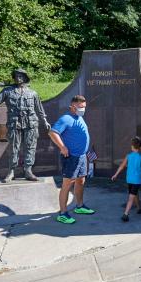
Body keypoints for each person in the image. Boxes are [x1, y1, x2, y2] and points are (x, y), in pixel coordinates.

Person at [0, 68, 50, 183]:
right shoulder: (7, 91)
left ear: (25, 78)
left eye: (20, 76)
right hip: (14, 123)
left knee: (30, 147)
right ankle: (11, 171)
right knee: (13, 148)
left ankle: (28, 170)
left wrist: (44, 120)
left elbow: (39, 108)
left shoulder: (33, 93)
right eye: (16, 76)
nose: (18, 78)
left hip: (30, 123)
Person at [48, 95, 95, 224]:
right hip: (71, 157)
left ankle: (79, 206)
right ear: (72, 106)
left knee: (81, 180)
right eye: (80, 107)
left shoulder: (79, 117)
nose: (83, 109)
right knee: (67, 184)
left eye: (84, 107)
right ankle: (63, 213)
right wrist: (62, 147)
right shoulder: (66, 119)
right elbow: (52, 133)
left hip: (82, 156)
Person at [111, 136, 141, 222]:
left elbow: (122, 166)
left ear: (132, 146)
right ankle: (126, 214)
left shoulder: (128, 156)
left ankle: (139, 208)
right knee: (131, 197)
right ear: (140, 147)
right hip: (136, 180)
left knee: (134, 193)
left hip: (129, 179)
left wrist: (115, 175)